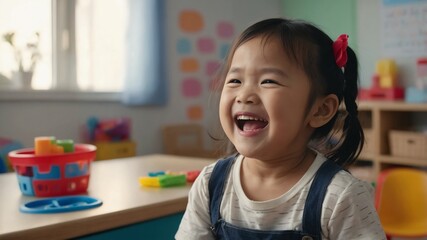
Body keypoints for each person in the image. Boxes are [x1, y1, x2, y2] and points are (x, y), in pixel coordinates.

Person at [175, 18, 386, 240]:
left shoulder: (340, 196)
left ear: (321, 110)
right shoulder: (210, 184)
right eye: (235, 80)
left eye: (268, 81)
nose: (244, 95)